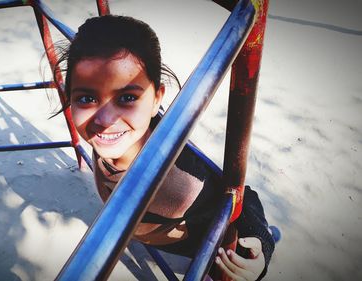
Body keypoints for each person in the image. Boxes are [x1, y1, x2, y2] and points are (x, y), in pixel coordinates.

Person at [53, 15, 275, 280]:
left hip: (194, 243)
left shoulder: (184, 178)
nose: (104, 120)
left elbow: (242, 195)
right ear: (70, 97)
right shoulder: (113, 138)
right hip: (148, 229)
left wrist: (260, 242)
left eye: (127, 98)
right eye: (87, 98)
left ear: (157, 97)